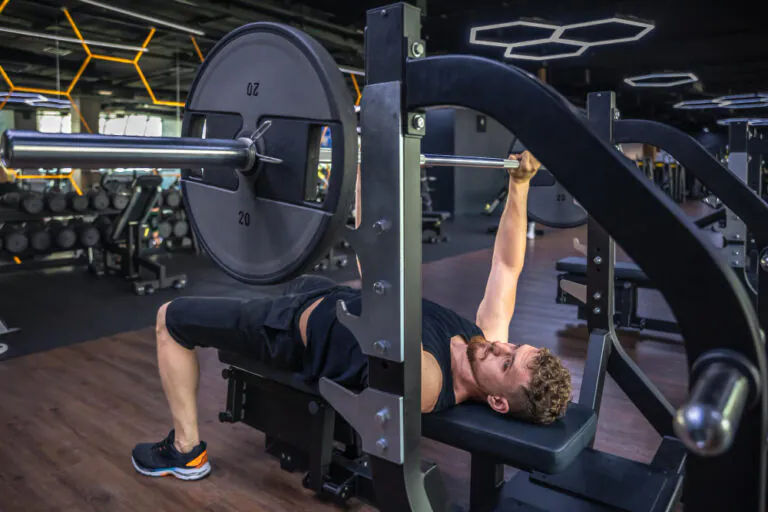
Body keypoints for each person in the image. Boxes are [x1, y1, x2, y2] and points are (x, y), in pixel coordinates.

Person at [131, 150, 573, 481]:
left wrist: (365, 168)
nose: (503, 345)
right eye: (516, 345)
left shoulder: (428, 379)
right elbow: (507, 267)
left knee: (170, 318)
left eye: (507, 361)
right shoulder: (483, 342)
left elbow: (380, 275)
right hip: (327, 296)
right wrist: (520, 186)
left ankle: (187, 451)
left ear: (496, 401)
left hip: (285, 329)